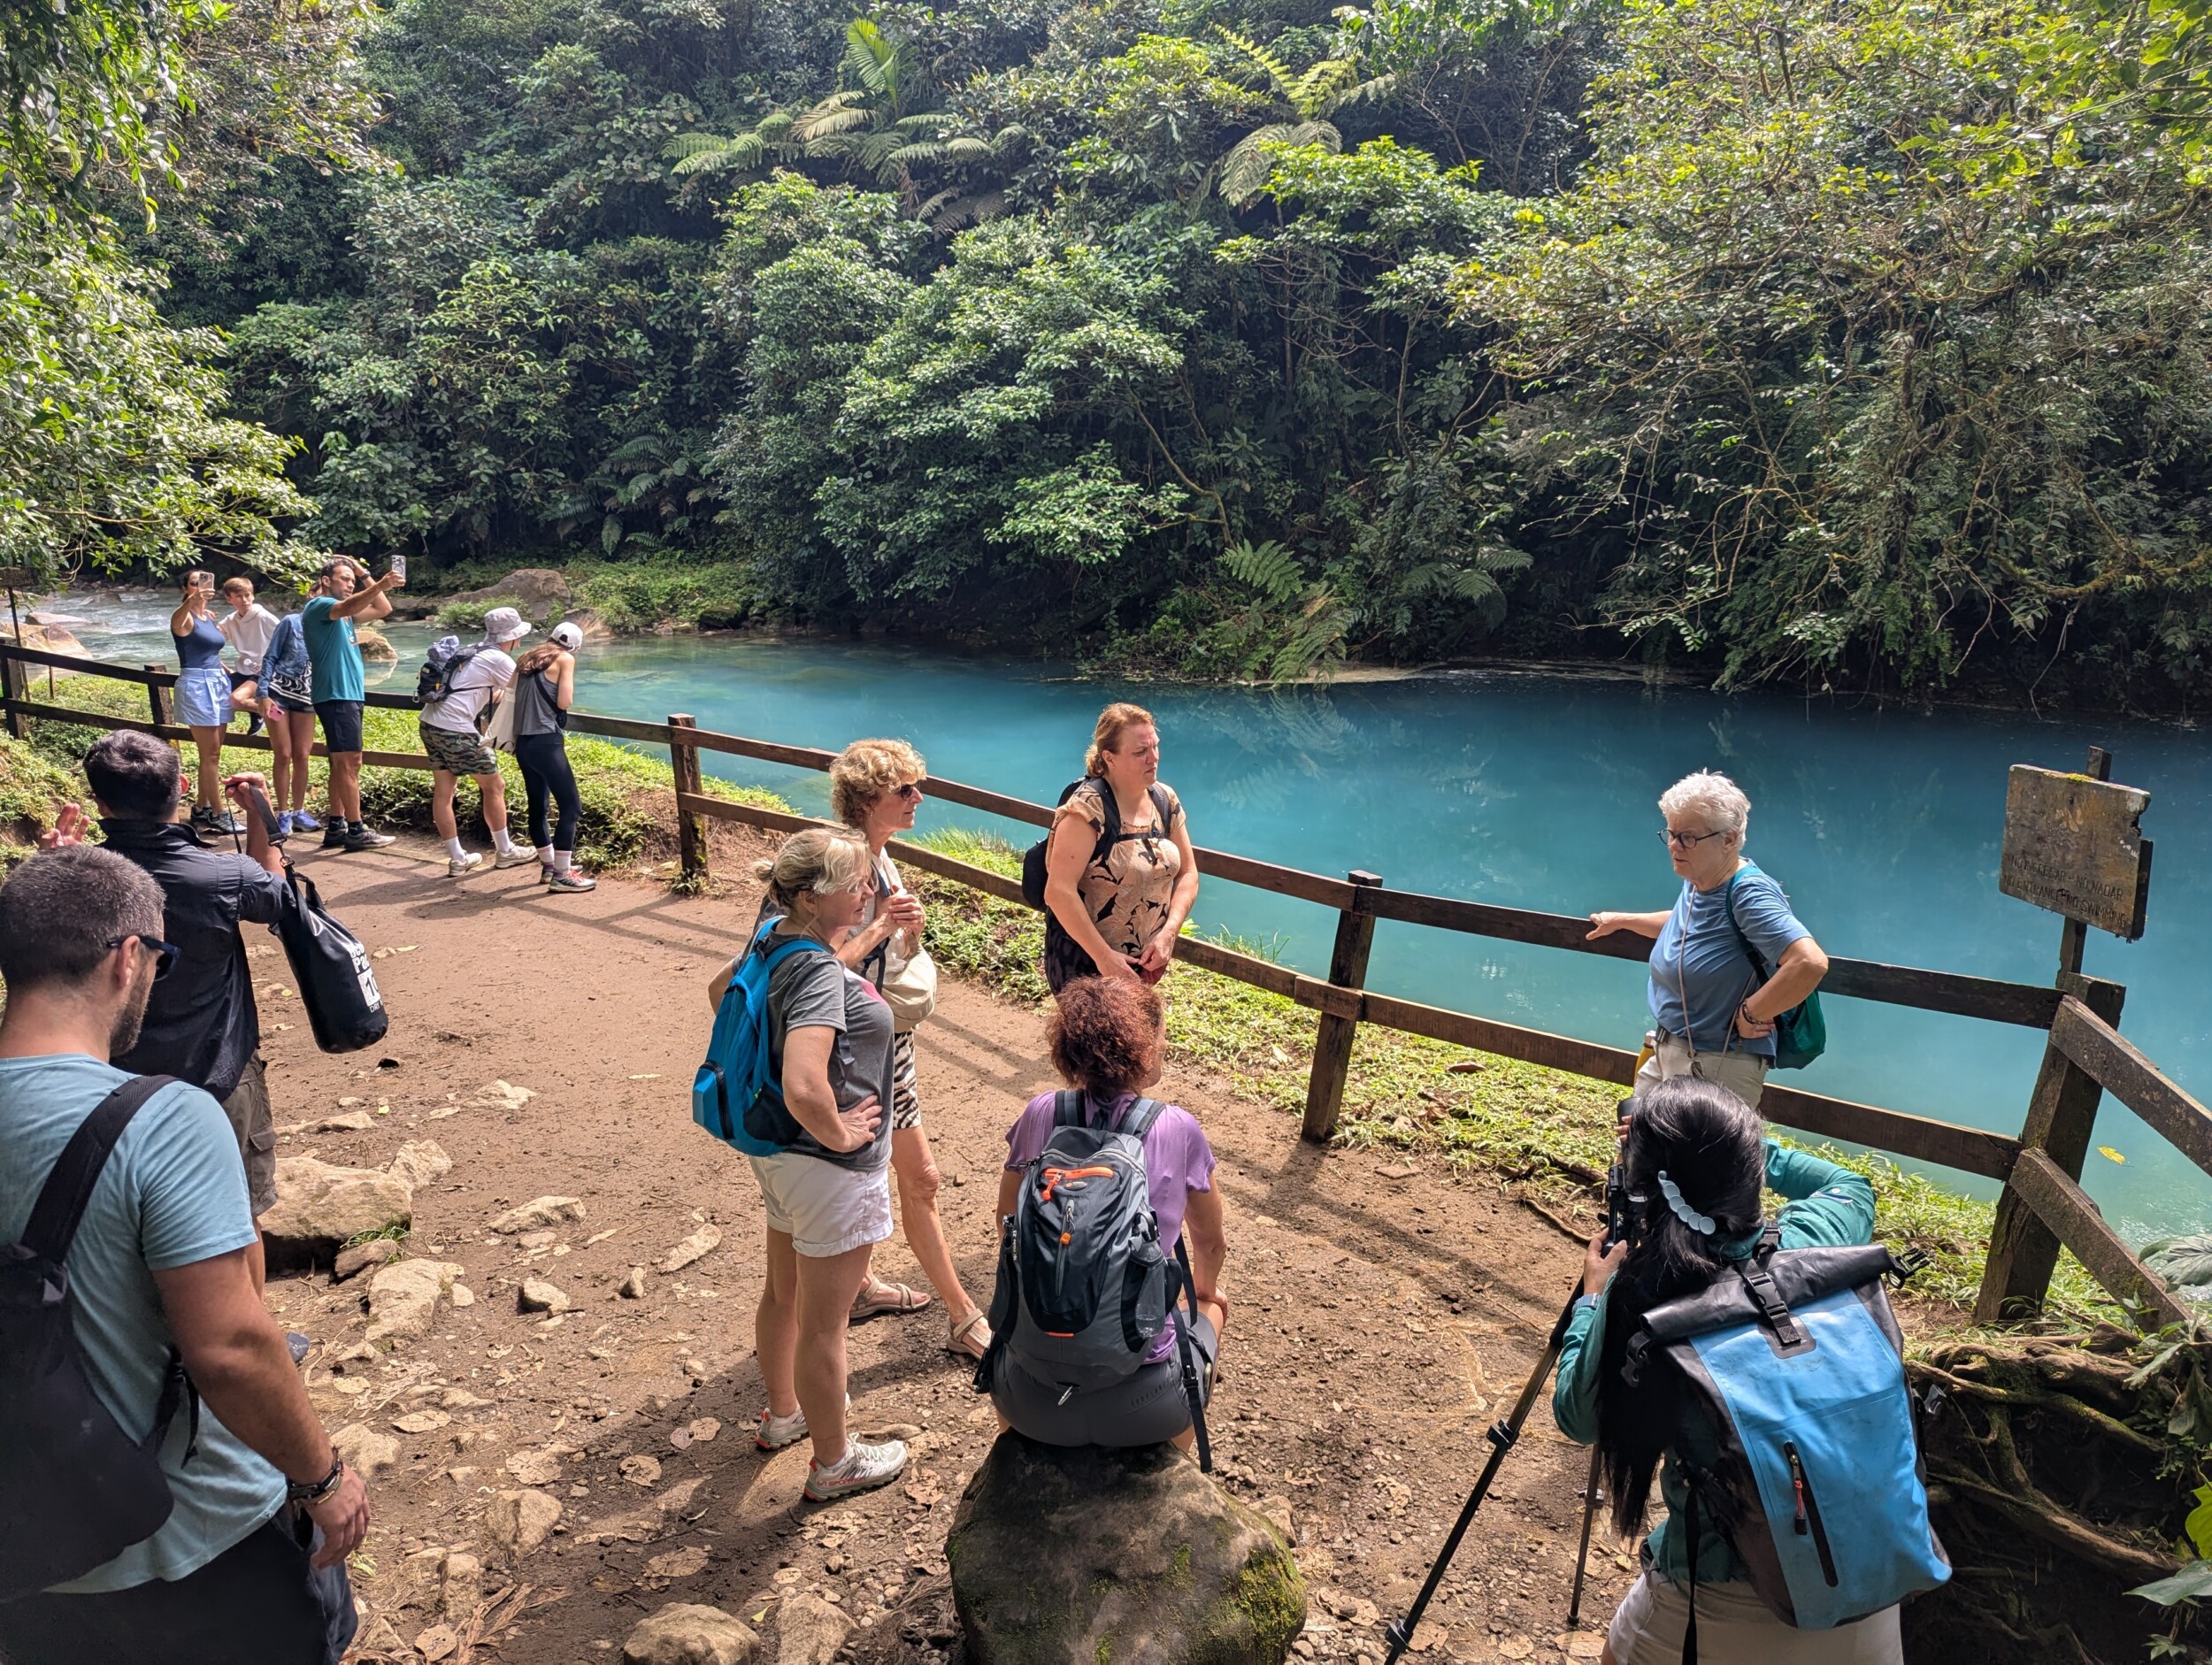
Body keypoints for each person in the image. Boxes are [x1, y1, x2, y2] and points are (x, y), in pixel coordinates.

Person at [0, 847, 370, 1665]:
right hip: (185, 1541)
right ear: (129, 958)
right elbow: (232, 1349)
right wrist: (322, 1481)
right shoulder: (162, 1120)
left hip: (23, 1550)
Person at [1553, 1077, 1887, 1664]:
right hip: (1869, 1587)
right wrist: (1742, 1149)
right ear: (1748, 1174)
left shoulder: (1648, 1299)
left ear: (1644, 1191)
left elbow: (1578, 1418)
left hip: (1719, 1606)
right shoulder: (1811, 1240)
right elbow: (1850, 1183)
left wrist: (1591, 1300)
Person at [40, 733, 290, 1285]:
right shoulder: (221, 876)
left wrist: (50, 871)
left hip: (108, 1081)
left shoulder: (82, 874)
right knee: (238, 1216)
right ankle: (248, 1336)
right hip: (218, 1072)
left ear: (99, 802)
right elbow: (276, 894)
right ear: (180, 788)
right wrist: (259, 813)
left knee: (127, 1216)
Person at [715, 827, 908, 1501]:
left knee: (782, 1295)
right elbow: (804, 1082)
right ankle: (835, 1462)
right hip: (827, 1168)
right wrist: (843, 1134)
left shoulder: (773, 935)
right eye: (853, 884)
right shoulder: (822, 971)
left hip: (778, 1159)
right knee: (826, 1326)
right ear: (810, 896)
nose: (867, 891)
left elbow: (721, 994)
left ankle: (784, 1415)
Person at [992, 976, 1228, 1450]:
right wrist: (1203, 1297)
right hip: (1147, 1408)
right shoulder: (1177, 1127)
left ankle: (1019, 1462)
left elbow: (1006, 1223)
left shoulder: (1041, 1112)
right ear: (1143, 1047)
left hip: (1028, 1401)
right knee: (1213, 1307)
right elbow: (1209, 1241)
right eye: (1160, 1035)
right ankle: (1172, 1474)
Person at [828, 739, 989, 1358]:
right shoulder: (845, 868)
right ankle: (962, 1315)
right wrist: (881, 927)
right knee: (918, 1178)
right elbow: (806, 969)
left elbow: (884, 958)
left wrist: (909, 936)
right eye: (907, 790)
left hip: (885, 1043)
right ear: (871, 799)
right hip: (858, 1053)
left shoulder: (879, 855)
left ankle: (861, 1286)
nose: (920, 798)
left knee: (873, 1178)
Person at [1585, 770, 1829, 1112]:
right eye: (1670, 833)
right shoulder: (1700, 877)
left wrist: (1752, 1012)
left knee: (1698, 1164)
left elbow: (1809, 963)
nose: (1673, 845)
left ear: (1728, 839)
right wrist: (1623, 921)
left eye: (1687, 837)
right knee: (1637, 1150)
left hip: (1716, 1064)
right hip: (1669, 1047)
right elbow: (1687, 926)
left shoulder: (1748, 892)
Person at [1040, 702, 1200, 993]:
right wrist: (1105, 958)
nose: (1153, 758)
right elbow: (1058, 890)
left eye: (1155, 747)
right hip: (1087, 967)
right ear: (1109, 757)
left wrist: (1168, 934)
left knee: (1143, 1038)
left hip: (1145, 966)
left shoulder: (1165, 800)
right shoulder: (1087, 810)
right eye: (1140, 752)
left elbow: (1189, 873)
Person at [417, 607, 533, 879]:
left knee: (444, 790)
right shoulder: (498, 659)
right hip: (455, 729)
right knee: (495, 785)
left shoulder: (473, 650)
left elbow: (476, 690)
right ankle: (505, 851)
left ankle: (458, 858)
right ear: (513, 637)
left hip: (430, 723)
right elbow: (526, 690)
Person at [299, 556, 401, 853]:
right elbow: (347, 605)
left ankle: (337, 825)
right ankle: (356, 830)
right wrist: (382, 582)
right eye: (344, 579)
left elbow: (384, 609)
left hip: (347, 694)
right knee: (348, 762)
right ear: (326, 580)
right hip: (336, 693)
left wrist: (365, 574)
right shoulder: (319, 606)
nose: (349, 584)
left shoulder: (345, 617)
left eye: (351, 581)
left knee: (345, 762)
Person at [510, 620, 594, 893]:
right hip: (546, 741)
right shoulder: (565, 658)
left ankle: (549, 867)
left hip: (523, 743)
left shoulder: (525, 658)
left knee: (538, 806)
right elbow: (564, 702)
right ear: (575, 646)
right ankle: (562, 875)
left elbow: (508, 694)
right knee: (571, 807)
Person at [169, 571, 240, 837]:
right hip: (197, 685)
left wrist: (225, 669)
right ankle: (220, 815)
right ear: (185, 589)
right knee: (209, 754)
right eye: (193, 583)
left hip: (217, 682)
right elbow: (176, 621)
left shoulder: (208, 617)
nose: (200, 587)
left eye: (203, 581)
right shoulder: (183, 618)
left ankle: (201, 808)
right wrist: (191, 600)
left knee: (214, 753)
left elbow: (210, 650)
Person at [256, 602, 320, 840]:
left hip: (307, 697)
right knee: (283, 753)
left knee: (302, 754)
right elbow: (270, 656)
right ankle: (283, 813)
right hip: (278, 695)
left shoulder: (330, 625)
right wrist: (263, 694)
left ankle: (299, 812)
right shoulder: (290, 622)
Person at [217, 577, 279, 740]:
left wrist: (271, 665)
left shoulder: (263, 616)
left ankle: (279, 716)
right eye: (239, 596)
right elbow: (211, 640)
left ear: (253, 595)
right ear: (229, 599)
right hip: (244, 670)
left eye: (247, 595)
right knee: (217, 694)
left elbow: (286, 639)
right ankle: (257, 713)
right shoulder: (231, 620)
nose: (244, 600)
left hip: (264, 672)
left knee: (236, 700)